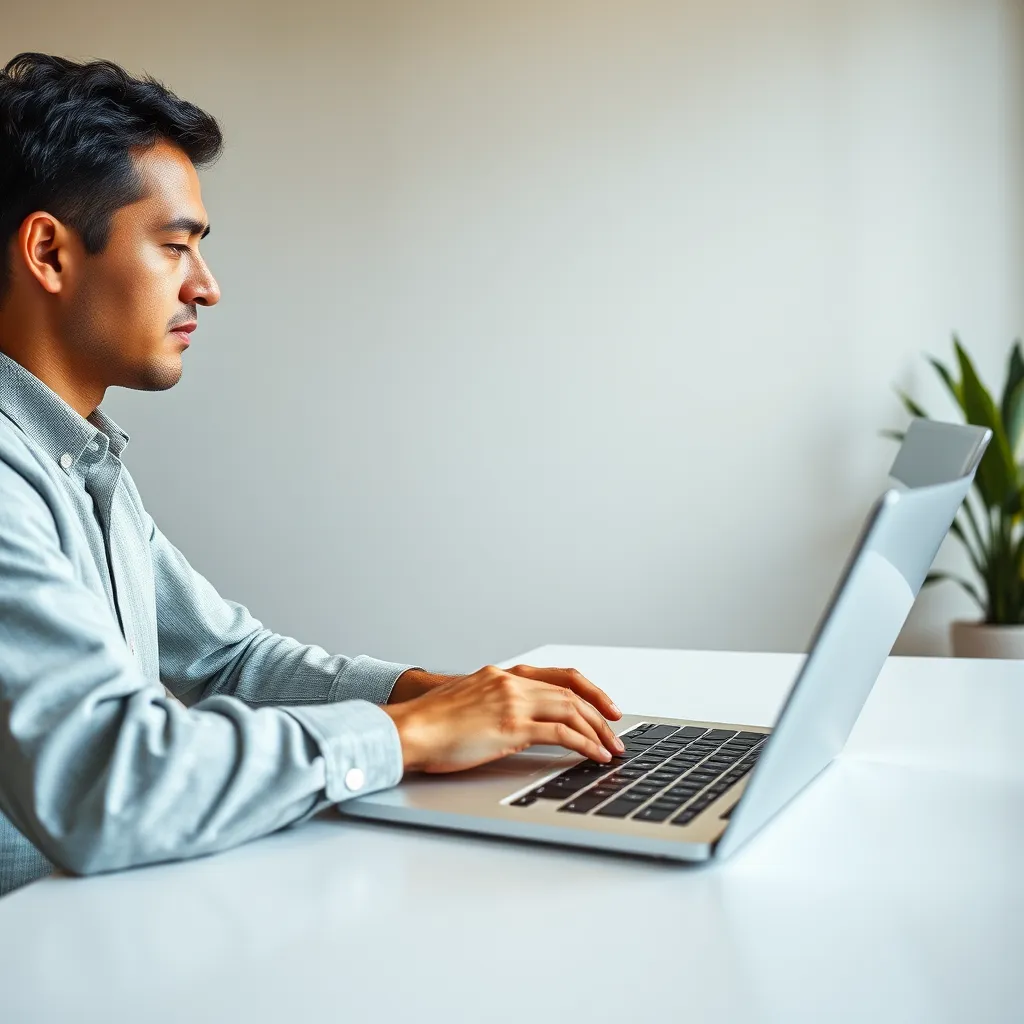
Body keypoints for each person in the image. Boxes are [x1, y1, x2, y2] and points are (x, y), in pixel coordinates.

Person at [0, 52, 624, 898]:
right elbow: (109, 786)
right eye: (175, 245)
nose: (207, 287)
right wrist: (405, 737)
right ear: (49, 252)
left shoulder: (77, 459)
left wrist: (438, 695)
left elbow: (225, 658)